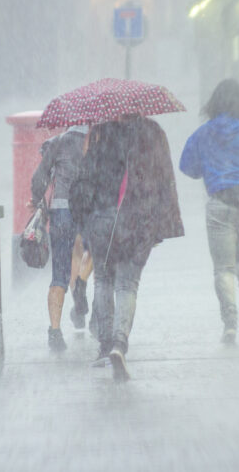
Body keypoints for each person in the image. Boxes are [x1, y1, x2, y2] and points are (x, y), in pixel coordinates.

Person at [70, 113, 183, 381]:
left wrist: (84, 218)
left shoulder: (103, 133)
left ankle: (104, 345)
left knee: (103, 281)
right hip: (138, 219)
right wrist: (163, 223)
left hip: (102, 217)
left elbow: (84, 180)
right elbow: (165, 179)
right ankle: (119, 344)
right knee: (127, 285)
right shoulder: (153, 134)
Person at [179, 79, 239, 345]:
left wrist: (208, 168)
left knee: (223, 268)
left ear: (214, 103)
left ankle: (230, 323)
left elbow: (187, 166)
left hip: (220, 202)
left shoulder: (204, 133)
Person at [30, 125, 91, 352]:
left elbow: (39, 179)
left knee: (59, 275)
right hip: (89, 209)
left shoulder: (57, 142)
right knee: (92, 252)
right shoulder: (98, 141)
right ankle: (82, 281)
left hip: (61, 211)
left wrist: (37, 199)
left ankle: (55, 332)